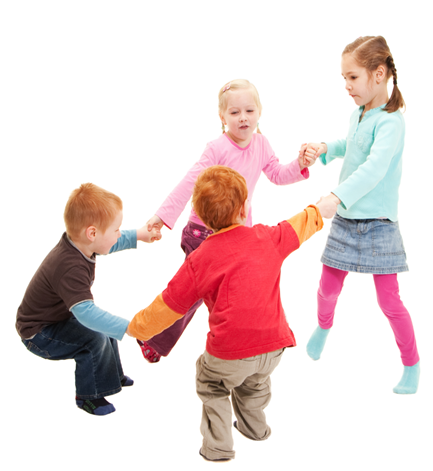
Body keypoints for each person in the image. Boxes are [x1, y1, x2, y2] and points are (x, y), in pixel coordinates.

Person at [128, 165, 337, 461]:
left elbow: (168, 305)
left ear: (202, 217)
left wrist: (136, 327)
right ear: (243, 209)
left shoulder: (200, 259)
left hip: (229, 354)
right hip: (274, 347)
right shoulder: (267, 236)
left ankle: (218, 447)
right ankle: (255, 428)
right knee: (255, 384)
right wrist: (321, 208)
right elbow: (299, 224)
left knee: (210, 382)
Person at [139, 78, 315, 363]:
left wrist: (300, 165)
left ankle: (242, 346)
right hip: (203, 233)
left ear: (259, 112)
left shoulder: (261, 144)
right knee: (192, 292)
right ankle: (153, 336)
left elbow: (278, 174)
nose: (243, 117)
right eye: (234, 112)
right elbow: (189, 182)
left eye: (249, 111)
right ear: (222, 117)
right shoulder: (216, 148)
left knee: (233, 293)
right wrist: (161, 217)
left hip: (237, 235)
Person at [303, 36, 420, 394]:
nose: (347, 85)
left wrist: (336, 196)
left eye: (352, 77)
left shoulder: (391, 122)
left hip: (379, 225)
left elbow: (373, 168)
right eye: (344, 78)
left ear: (378, 74)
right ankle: (324, 326)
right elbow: (351, 146)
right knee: (327, 289)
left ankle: (411, 364)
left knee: (389, 300)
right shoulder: (359, 113)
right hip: (347, 221)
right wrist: (326, 148)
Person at [16, 183, 160, 415]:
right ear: (92, 233)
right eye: (116, 229)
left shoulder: (82, 243)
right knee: (95, 338)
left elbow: (110, 242)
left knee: (106, 329)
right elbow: (86, 314)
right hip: (39, 333)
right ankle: (88, 396)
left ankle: (111, 376)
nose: (118, 234)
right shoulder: (69, 266)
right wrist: (130, 327)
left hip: (58, 319)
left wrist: (140, 235)